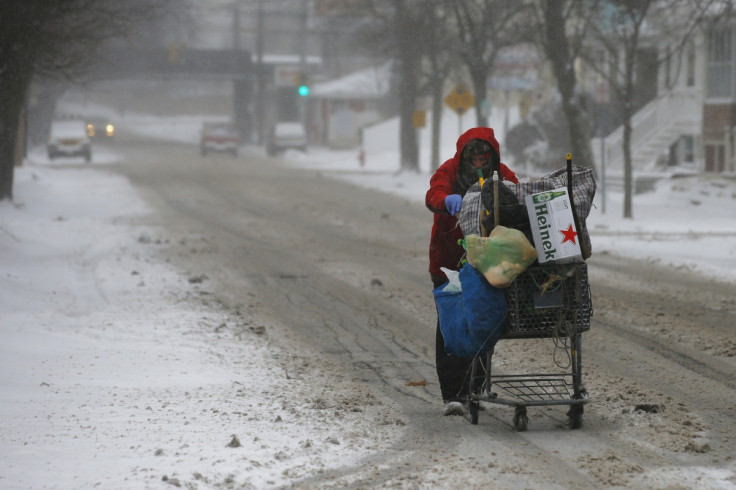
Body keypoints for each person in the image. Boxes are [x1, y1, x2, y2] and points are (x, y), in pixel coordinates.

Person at [425, 127, 519, 416]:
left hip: (485, 264)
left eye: (484, 159)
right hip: (449, 262)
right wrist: (446, 201)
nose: (479, 165)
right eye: (473, 160)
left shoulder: (501, 173)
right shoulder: (449, 171)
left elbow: (516, 194)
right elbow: (434, 193)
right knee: (453, 327)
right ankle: (452, 393)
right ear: (464, 157)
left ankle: (475, 388)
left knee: (482, 322)